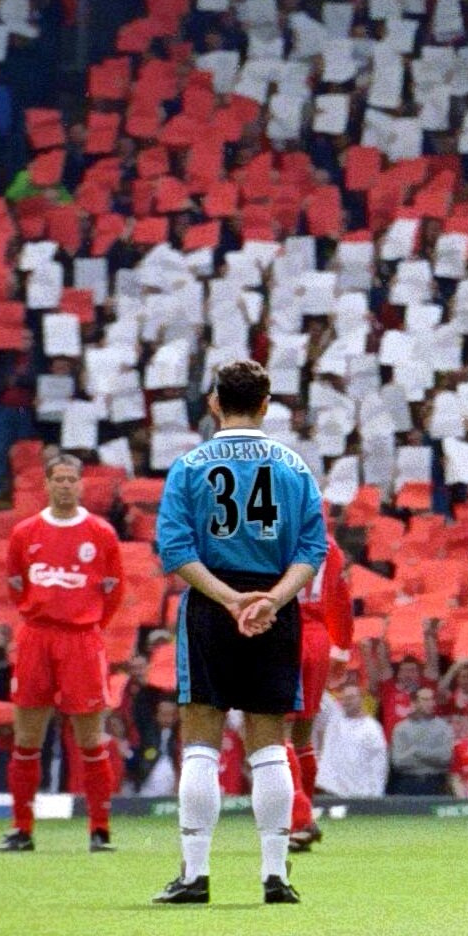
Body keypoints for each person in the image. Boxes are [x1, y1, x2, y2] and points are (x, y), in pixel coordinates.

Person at [151, 360, 328, 904]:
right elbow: (312, 550)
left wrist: (230, 600)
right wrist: (271, 599)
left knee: (201, 741)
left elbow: (175, 550)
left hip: (212, 604)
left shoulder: (189, 466)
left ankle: (196, 875)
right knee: (269, 742)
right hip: (274, 608)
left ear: (213, 402)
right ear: (266, 403)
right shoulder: (294, 466)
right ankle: (275, 875)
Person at [0, 451, 125, 851]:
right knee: (27, 737)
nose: (66, 486)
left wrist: (88, 625)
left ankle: (99, 829)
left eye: (73, 479)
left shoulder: (101, 533)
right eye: (60, 479)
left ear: (81, 484)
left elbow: (115, 590)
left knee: (90, 737)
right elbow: (16, 584)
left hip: (81, 640)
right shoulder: (25, 533)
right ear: (48, 484)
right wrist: (41, 615)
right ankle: (22, 828)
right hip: (37, 637)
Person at [284, 534, 352, 850]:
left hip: (284, 633)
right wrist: (342, 645)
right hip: (318, 638)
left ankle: (298, 821)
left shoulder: (275, 533)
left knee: (273, 735)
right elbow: (341, 598)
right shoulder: (330, 545)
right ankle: (304, 817)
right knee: (302, 737)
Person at [313, 683, 387, 798]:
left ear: (361, 699)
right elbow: (319, 696)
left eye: (351, 698)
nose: (347, 701)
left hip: (360, 793)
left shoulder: (372, 728)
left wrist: (376, 793)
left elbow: (379, 764)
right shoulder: (333, 721)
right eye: (343, 698)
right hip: (330, 790)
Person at [385, 687, 455, 796]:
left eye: (432, 699)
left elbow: (446, 758)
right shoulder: (401, 728)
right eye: (425, 700)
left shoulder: (444, 727)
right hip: (407, 784)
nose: (430, 703)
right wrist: (432, 759)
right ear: (415, 703)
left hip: (436, 784)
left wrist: (416, 752)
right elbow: (398, 761)